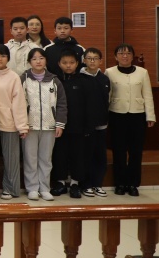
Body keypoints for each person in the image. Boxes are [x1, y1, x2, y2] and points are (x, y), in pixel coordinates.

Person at [106, 43, 155, 196]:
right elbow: (107, 95)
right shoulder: (109, 72)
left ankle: (133, 184)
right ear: (115, 57)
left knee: (136, 151)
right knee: (119, 150)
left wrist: (150, 115)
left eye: (128, 53)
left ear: (133, 56)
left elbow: (147, 95)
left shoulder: (142, 72)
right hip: (117, 114)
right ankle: (120, 183)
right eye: (121, 53)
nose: (125, 56)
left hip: (137, 115)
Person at [0, 44, 30, 200]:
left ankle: (10, 188)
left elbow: (19, 103)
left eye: (3, 56)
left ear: (8, 58)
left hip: (9, 122)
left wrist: (22, 126)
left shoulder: (14, 77)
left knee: (11, 158)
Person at [20, 47, 67, 201]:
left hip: (49, 126)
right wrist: (22, 124)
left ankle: (45, 188)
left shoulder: (54, 80)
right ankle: (32, 188)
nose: (38, 61)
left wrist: (60, 124)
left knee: (46, 159)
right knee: (30, 159)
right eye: (34, 59)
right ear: (29, 62)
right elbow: (19, 103)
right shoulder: (23, 79)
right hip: (29, 126)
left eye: (41, 58)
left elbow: (61, 104)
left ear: (46, 60)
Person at [52, 50, 95, 198]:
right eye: (65, 63)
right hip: (59, 126)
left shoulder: (84, 81)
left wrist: (88, 126)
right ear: (59, 64)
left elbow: (90, 106)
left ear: (77, 63)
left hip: (79, 126)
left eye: (71, 62)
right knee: (59, 154)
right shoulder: (55, 80)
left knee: (78, 155)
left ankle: (75, 184)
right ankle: (60, 183)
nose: (68, 66)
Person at [81, 48, 111, 197]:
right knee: (86, 156)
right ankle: (86, 185)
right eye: (89, 58)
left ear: (100, 61)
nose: (92, 61)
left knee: (100, 156)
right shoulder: (79, 78)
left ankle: (97, 184)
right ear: (84, 60)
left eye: (95, 58)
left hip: (101, 124)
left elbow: (108, 100)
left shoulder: (104, 79)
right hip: (85, 126)